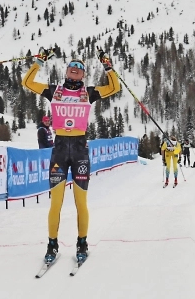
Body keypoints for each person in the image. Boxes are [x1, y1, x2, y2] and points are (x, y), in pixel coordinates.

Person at [21, 48, 120, 264]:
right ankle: (52, 244)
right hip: (59, 149)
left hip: (79, 149)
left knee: (80, 202)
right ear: (66, 71)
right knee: (55, 203)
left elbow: (115, 87)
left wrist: (108, 66)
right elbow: (27, 83)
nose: (75, 70)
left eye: (80, 68)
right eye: (72, 67)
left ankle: (82, 243)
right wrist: (39, 62)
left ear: (83, 75)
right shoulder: (53, 90)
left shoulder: (89, 93)